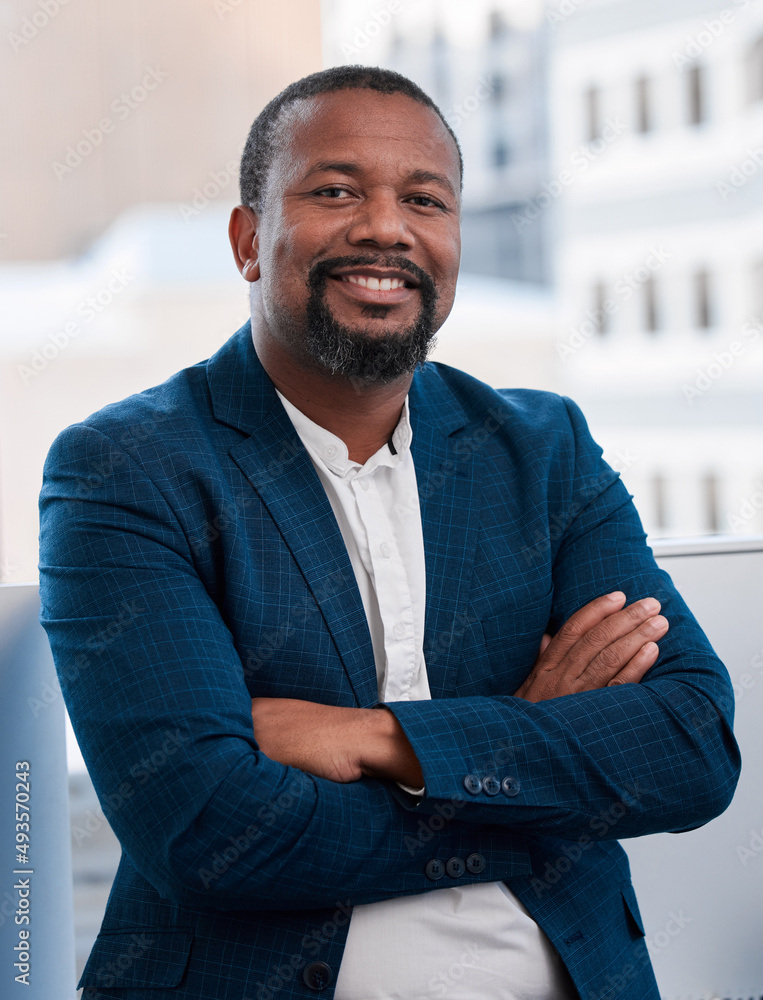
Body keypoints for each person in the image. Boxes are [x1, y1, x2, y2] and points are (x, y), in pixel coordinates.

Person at [39, 66, 740, 1000]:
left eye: (424, 199)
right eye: (335, 191)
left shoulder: (542, 450)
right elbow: (208, 831)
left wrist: (380, 741)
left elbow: (689, 748)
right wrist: (529, 748)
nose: (385, 227)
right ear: (250, 240)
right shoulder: (128, 467)